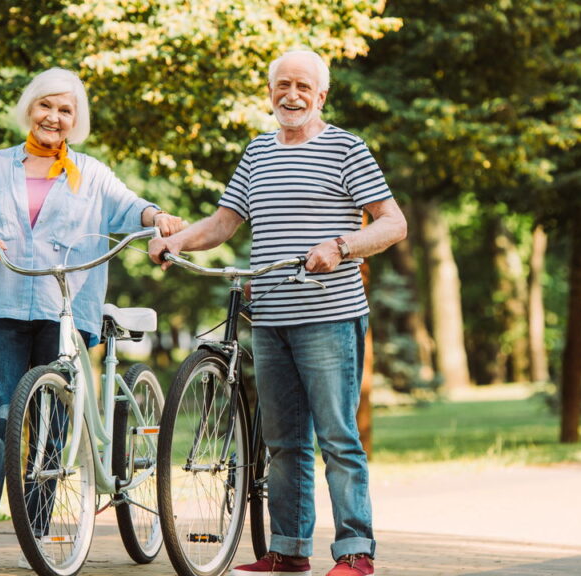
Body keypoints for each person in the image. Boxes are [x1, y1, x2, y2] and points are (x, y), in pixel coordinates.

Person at [148, 49, 407, 576]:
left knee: (336, 438)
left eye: (302, 87)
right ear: (269, 92)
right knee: (284, 443)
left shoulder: (346, 149)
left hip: (329, 316)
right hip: (269, 318)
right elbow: (223, 224)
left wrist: (341, 245)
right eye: (281, 85)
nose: (291, 95)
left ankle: (356, 552)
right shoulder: (257, 152)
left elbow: (393, 223)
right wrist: (173, 244)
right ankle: (288, 550)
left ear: (321, 96)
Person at [0, 67, 184, 574]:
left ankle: (37, 533)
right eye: (46, 106)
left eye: (66, 110)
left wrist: (157, 216)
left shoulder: (90, 174)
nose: (54, 117)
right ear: (30, 108)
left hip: (63, 312)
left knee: (54, 425)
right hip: (3, 308)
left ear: (77, 121)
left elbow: (129, 206)